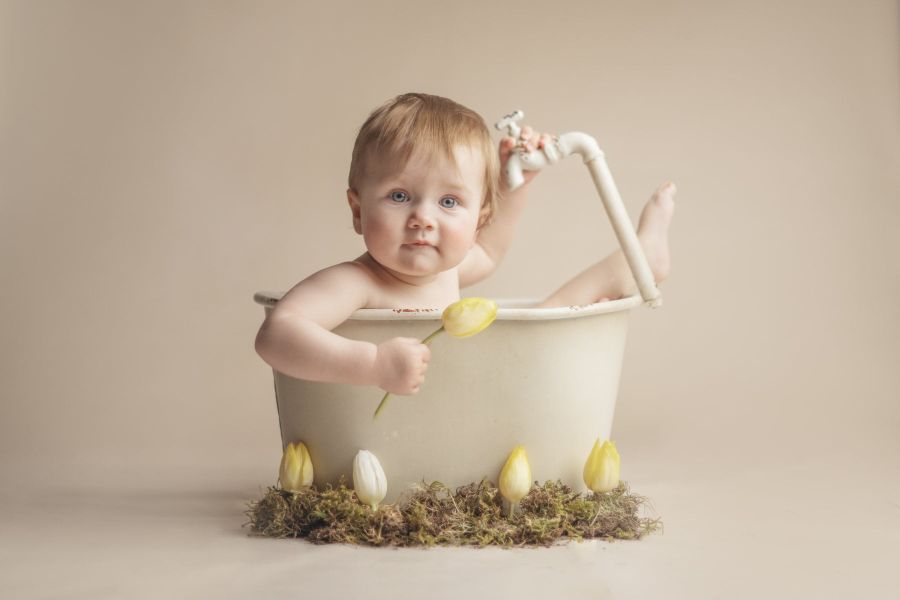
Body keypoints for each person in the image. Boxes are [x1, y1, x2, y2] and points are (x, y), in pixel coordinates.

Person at [255, 92, 675, 396]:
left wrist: (515, 185)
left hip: (477, 396)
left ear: (479, 221)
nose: (423, 217)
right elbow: (277, 335)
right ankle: (638, 260)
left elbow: (489, 251)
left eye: (450, 201)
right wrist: (373, 364)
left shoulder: (448, 270)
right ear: (358, 210)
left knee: (549, 318)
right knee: (530, 340)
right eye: (399, 196)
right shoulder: (356, 283)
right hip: (415, 423)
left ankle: (639, 259)